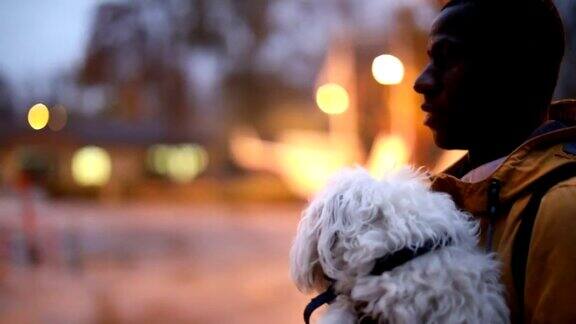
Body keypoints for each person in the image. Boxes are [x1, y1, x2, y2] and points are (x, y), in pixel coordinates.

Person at [413, 0, 576, 323]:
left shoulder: (564, 211)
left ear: (514, 70)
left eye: (448, 59)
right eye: (430, 60)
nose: (422, 81)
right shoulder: (437, 205)